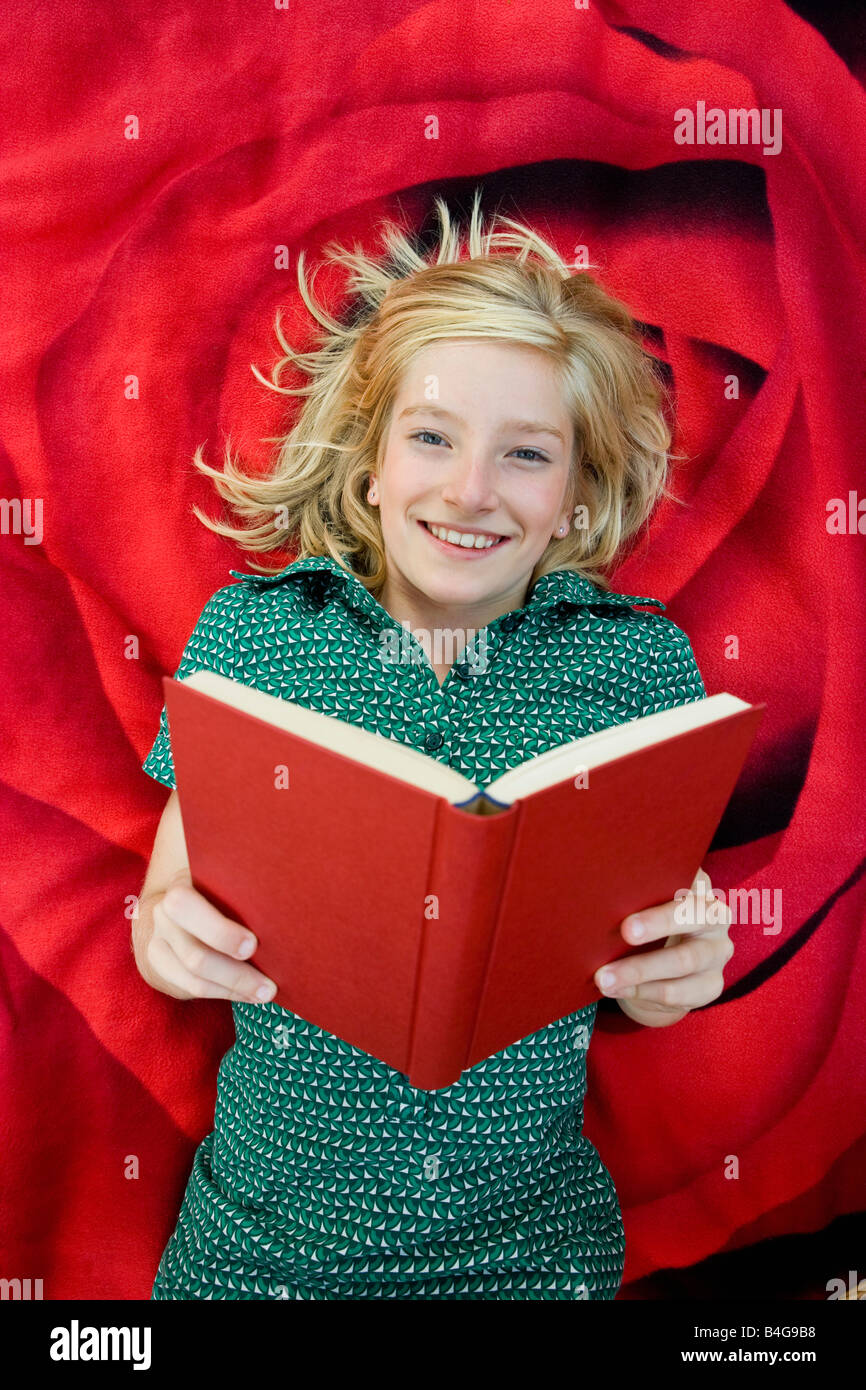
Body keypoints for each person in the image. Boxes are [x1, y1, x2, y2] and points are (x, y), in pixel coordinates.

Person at [135, 190, 734, 1300]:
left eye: (524, 455)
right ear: (368, 464)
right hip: (259, 1253)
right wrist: (167, 941)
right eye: (430, 437)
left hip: (527, 1260)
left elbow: (651, 970)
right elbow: (165, 904)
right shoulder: (255, 635)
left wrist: (679, 970)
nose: (469, 491)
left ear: (572, 496)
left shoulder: (638, 670)